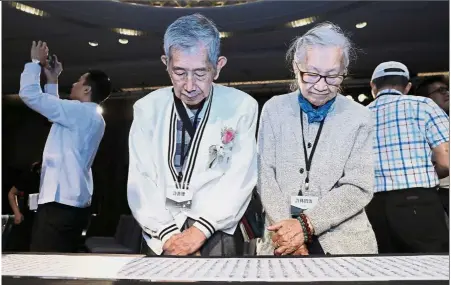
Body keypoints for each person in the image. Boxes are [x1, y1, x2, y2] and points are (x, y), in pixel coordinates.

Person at [127, 13, 258, 257]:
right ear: (166, 63)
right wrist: (168, 234)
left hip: (216, 232)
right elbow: (140, 178)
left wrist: (200, 231)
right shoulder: (147, 108)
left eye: (200, 73)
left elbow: (240, 176)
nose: (189, 85)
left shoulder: (242, 106)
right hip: (161, 234)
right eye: (179, 72)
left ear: (218, 66)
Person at [257, 22, 377, 256]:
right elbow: (265, 175)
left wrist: (305, 225)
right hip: (280, 239)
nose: (321, 86)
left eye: (332, 76)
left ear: (344, 71)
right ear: (296, 67)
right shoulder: (273, 109)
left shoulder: (360, 117)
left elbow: (358, 185)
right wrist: (288, 234)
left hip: (345, 244)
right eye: (311, 74)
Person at [19, 41, 112, 252]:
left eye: (79, 82)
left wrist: (34, 62)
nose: (74, 84)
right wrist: (52, 80)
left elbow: (30, 95)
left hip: (59, 205)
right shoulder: (90, 116)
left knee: (43, 264)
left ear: (87, 89)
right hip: (73, 204)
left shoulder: (79, 111)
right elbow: (55, 113)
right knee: (58, 262)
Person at [366, 61, 449, 253]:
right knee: (431, 269)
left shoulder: (361, 115)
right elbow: (446, 161)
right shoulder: (423, 105)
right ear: (408, 87)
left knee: (387, 269)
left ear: (373, 86)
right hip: (419, 201)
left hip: (374, 206)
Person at [416, 75, 449, 214]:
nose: (447, 93)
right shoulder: (420, 124)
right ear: (427, 98)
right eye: (441, 90)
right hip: (442, 192)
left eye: (447, 89)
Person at [6, 161, 41, 251]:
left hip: (46, 218)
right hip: (28, 217)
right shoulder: (29, 176)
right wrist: (17, 213)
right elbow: (11, 193)